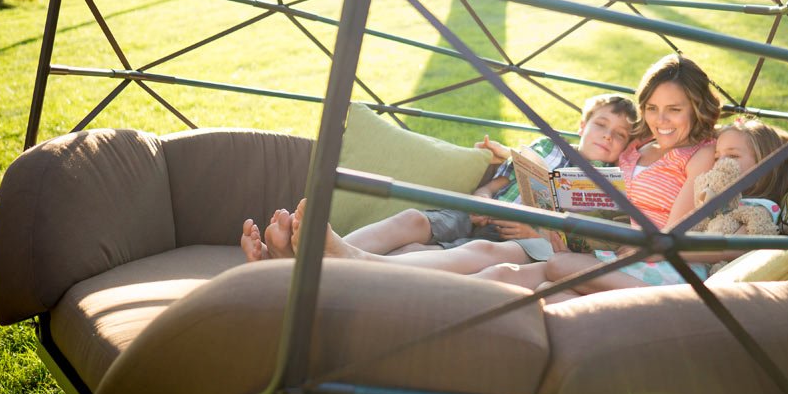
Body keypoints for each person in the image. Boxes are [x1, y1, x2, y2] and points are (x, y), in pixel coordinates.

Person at [242, 93, 637, 271]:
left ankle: (340, 265)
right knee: (413, 221)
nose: (607, 136)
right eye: (601, 125)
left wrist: (534, 227)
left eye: (619, 135)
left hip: (529, 239)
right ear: (583, 125)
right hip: (485, 213)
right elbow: (500, 182)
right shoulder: (544, 146)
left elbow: (592, 241)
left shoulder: (611, 185)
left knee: (472, 250)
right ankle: (307, 255)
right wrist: (483, 195)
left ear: (626, 146)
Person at [474, 53, 730, 294]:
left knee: (555, 269)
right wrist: (508, 154)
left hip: (654, 262)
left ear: (696, 108)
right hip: (604, 253)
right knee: (509, 277)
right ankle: (440, 298)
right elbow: (586, 151)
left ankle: (663, 301)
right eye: (652, 108)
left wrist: (644, 245)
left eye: (674, 110)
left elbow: (674, 232)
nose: (660, 120)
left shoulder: (700, 154)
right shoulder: (634, 146)